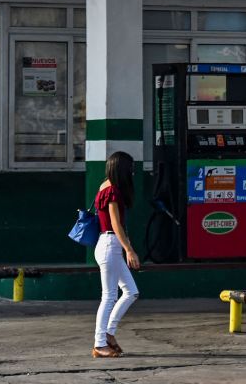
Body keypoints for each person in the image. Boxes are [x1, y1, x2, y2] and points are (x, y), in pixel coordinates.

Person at [92, 151, 140, 358]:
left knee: (131, 292)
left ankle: (109, 334)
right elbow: (115, 223)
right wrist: (129, 249)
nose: (132, 172)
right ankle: (99, 343)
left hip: (109, 244)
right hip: (110, 244)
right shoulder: (112, 191)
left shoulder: (105, 186)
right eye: (130, 169)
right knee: (109, 296)